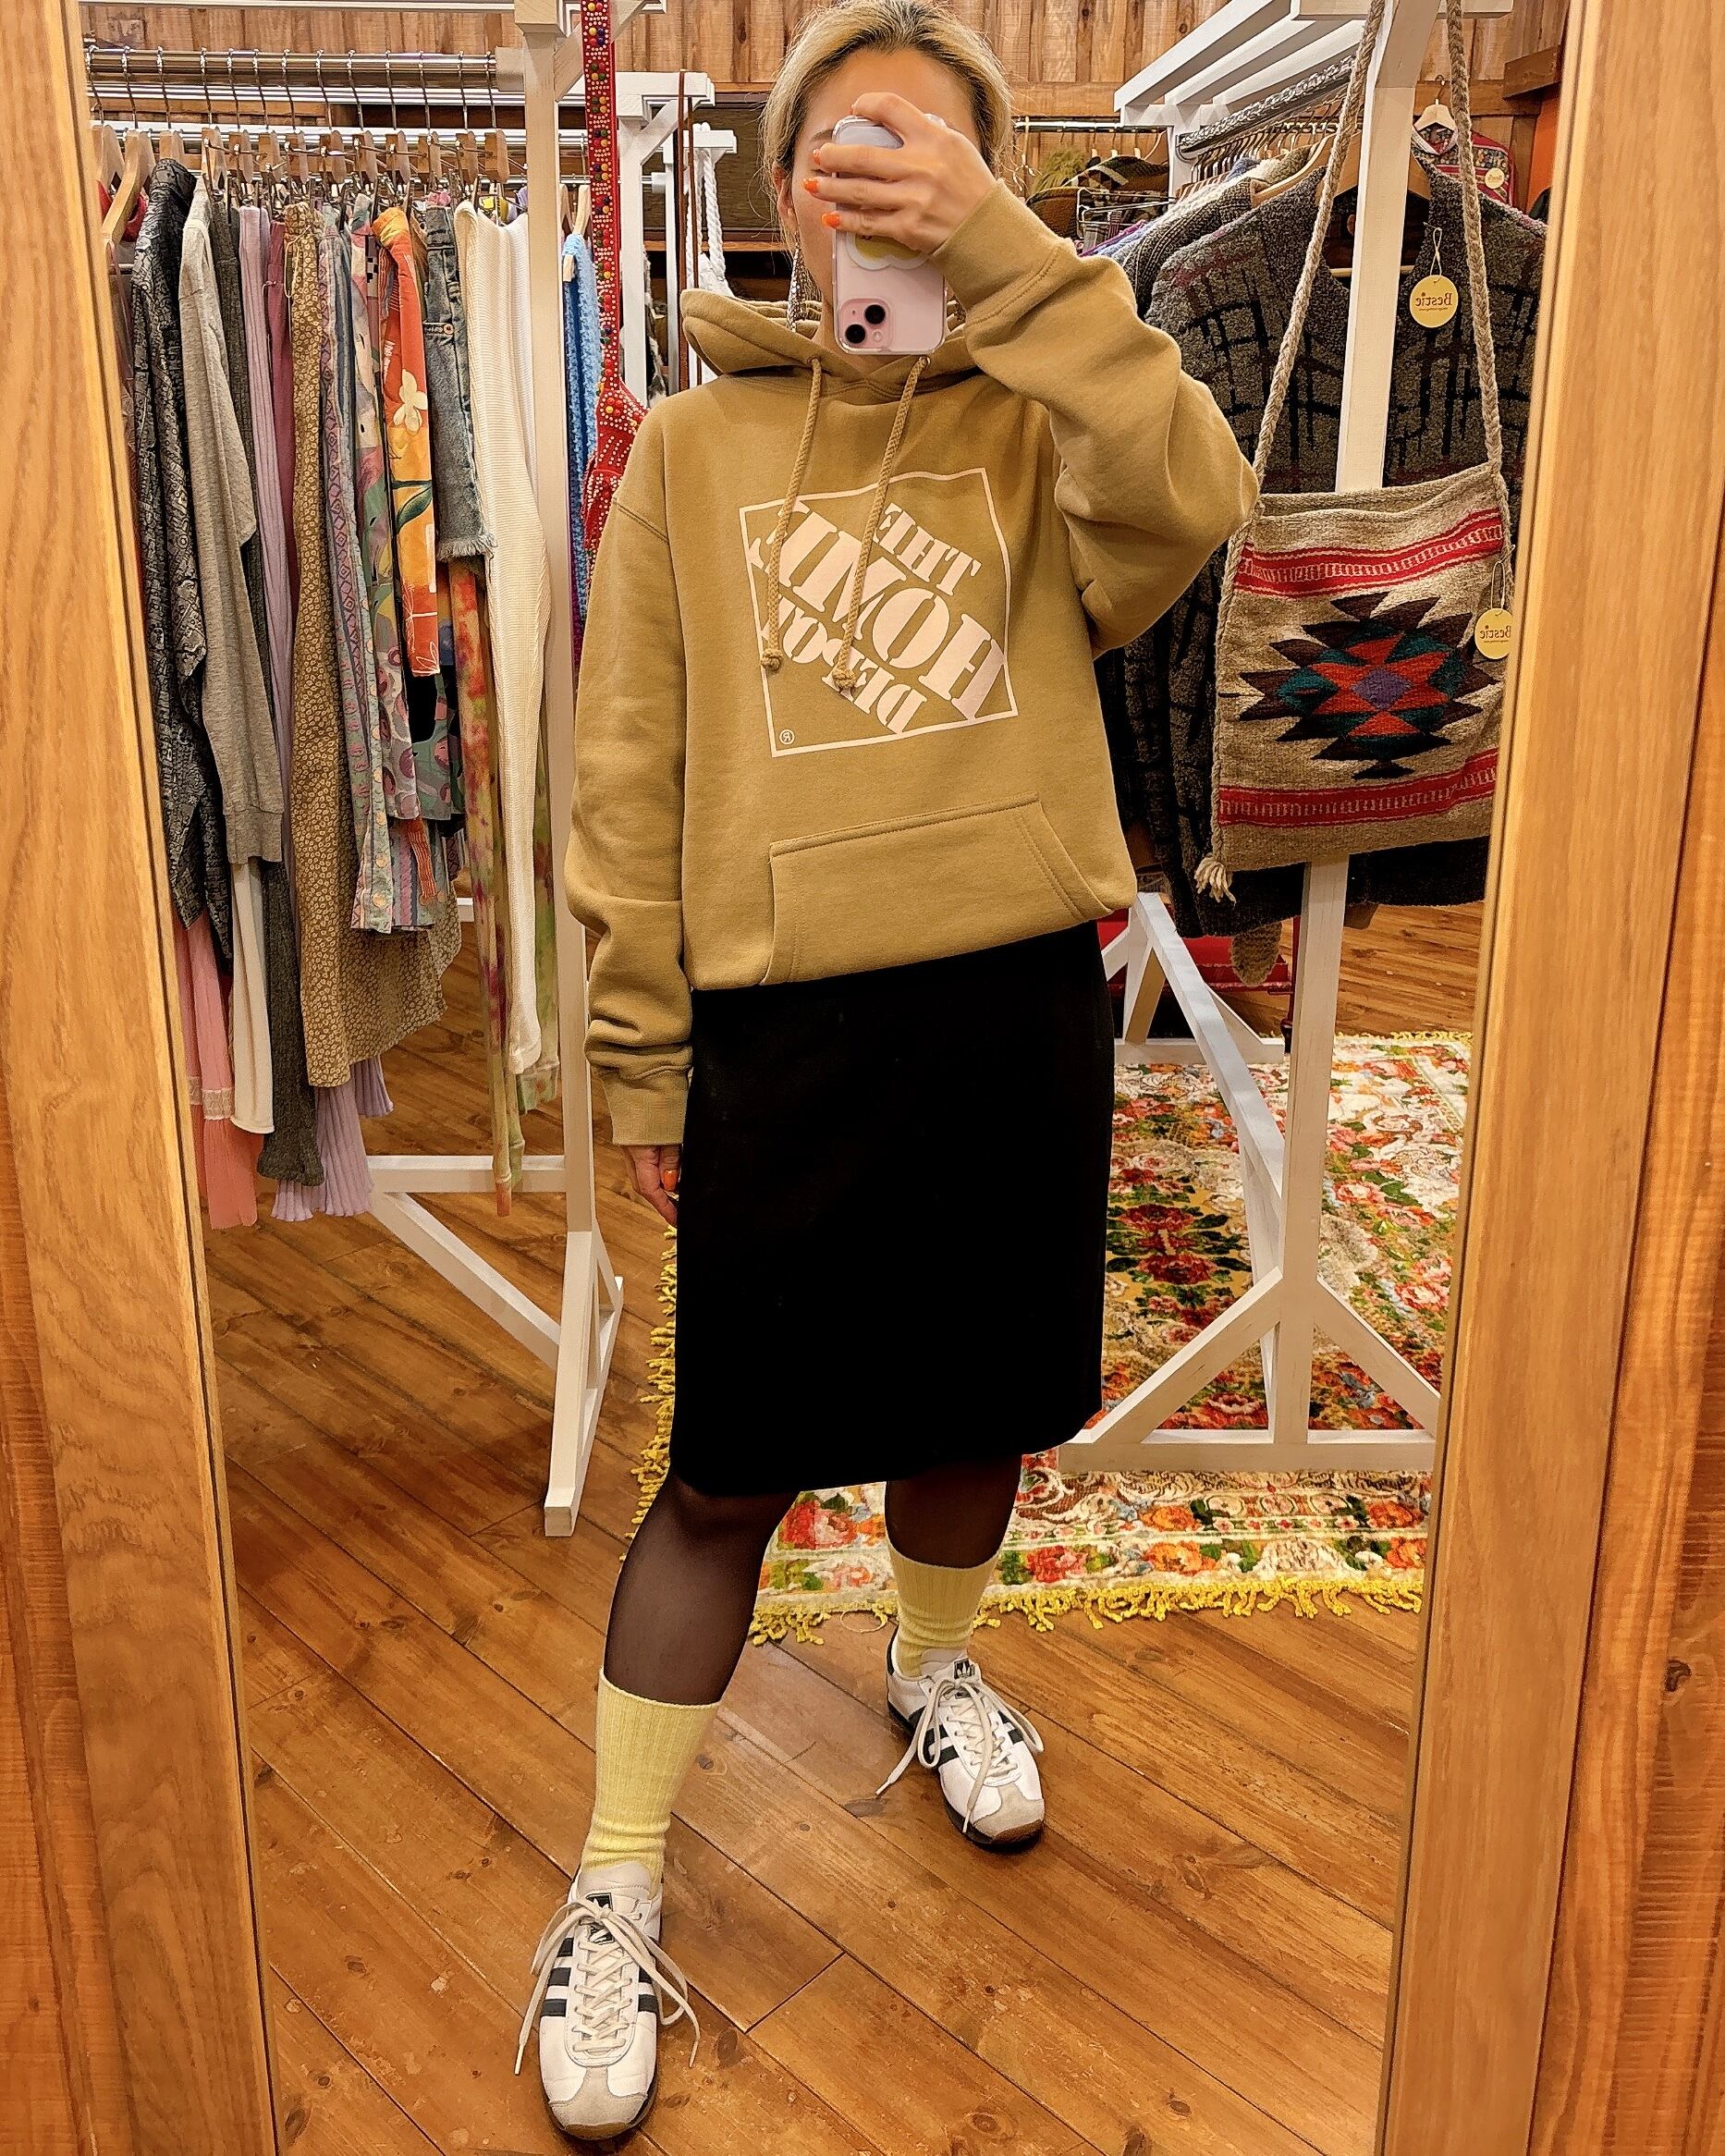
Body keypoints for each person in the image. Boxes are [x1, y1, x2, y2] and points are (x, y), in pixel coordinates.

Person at [521, 0, 1256, 2137]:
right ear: (786, 188)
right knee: (726, 1473)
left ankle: (936, 1666)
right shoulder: (687, 450)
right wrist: (639, 1066)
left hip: (1011, 999)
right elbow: (626, 776)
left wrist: (1010, 257)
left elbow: (1197, 495)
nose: (895, 191)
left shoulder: (1048, 424)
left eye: (937, 157)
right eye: (854, 154)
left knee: (975, 1408)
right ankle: (616, 1872)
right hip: (785, 1029)